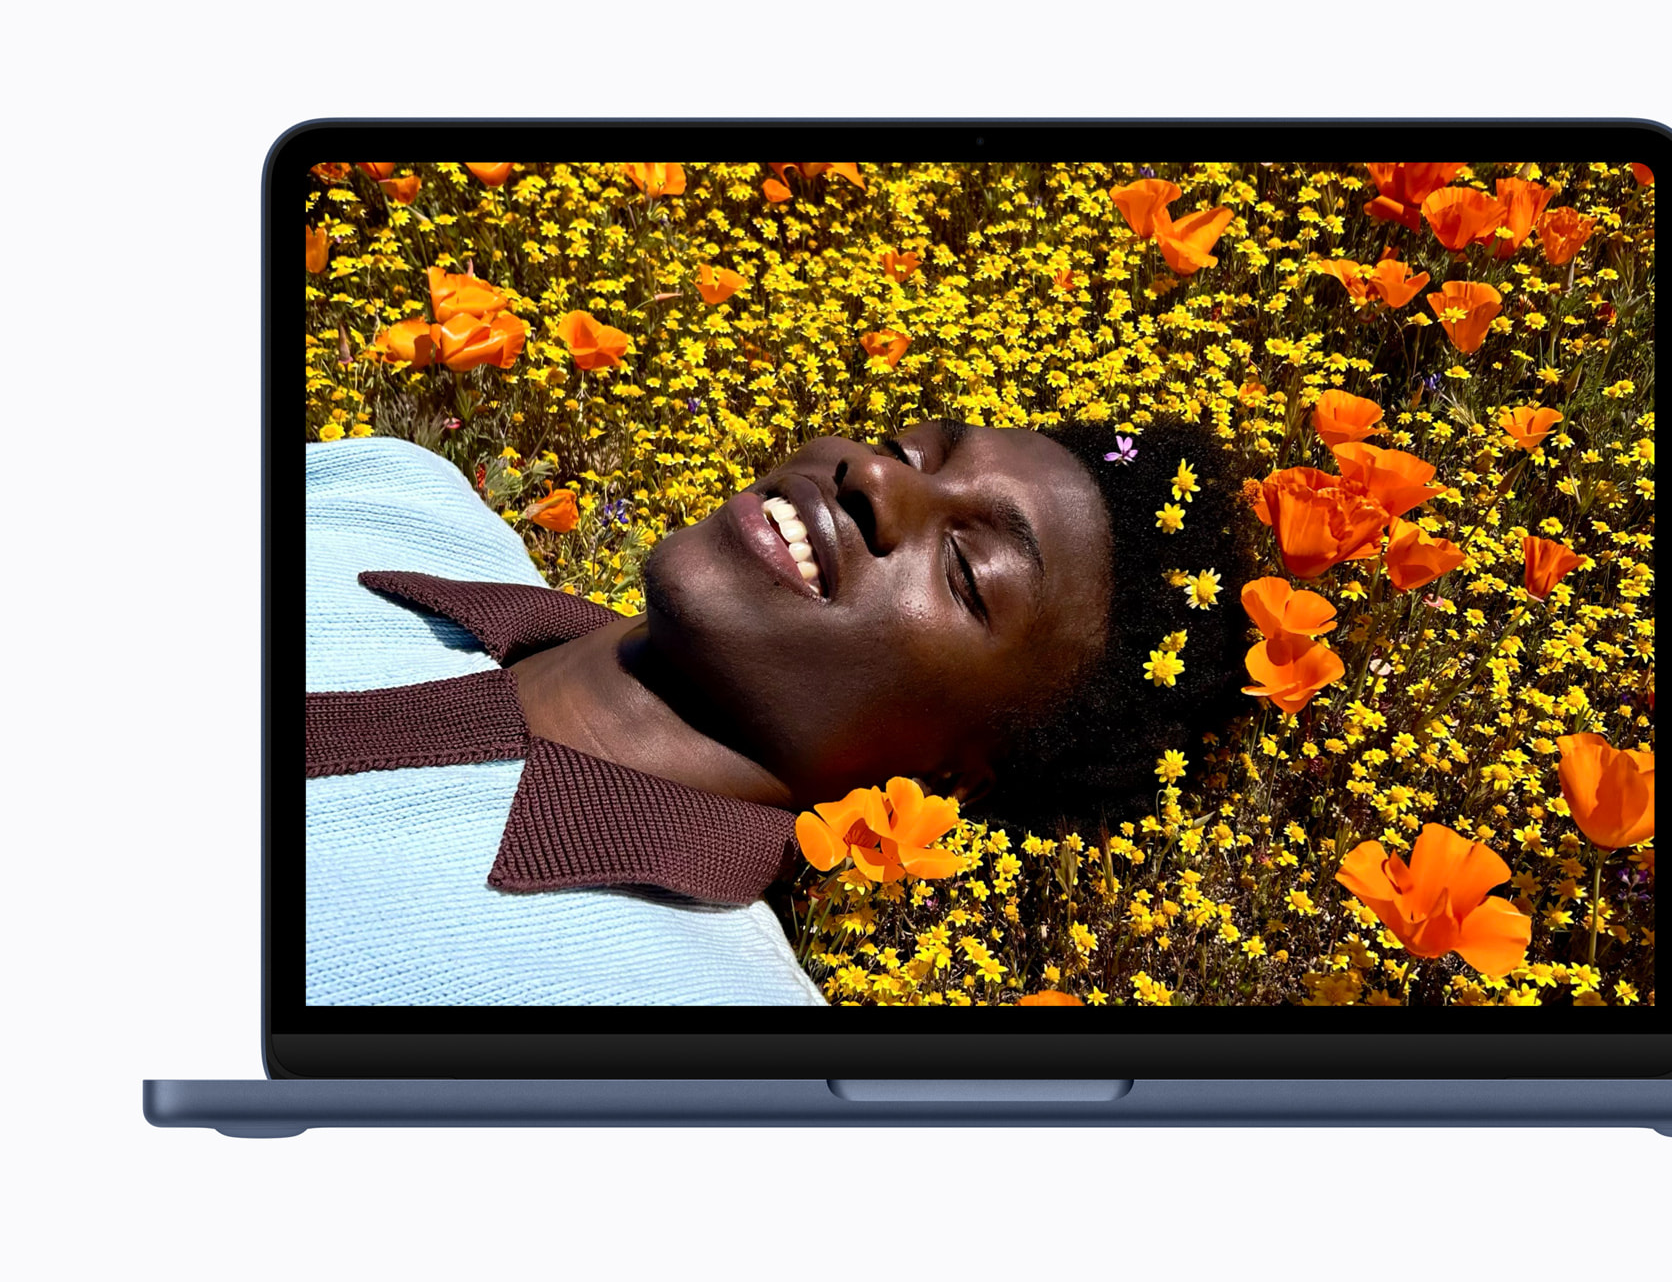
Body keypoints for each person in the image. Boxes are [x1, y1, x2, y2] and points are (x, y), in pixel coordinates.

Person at [305, 417, 1253, 1005]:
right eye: (908, 449)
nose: (877, 480)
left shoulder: (686, 1029)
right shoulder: (396, 493)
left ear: (952, 778)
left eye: (966, 571)